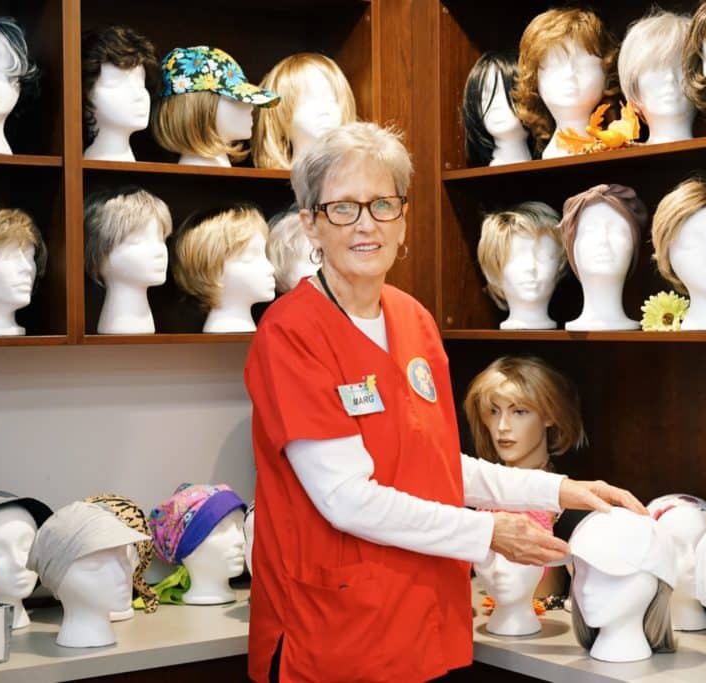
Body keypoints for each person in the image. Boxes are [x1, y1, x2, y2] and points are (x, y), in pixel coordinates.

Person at [243, 121, 646, 682]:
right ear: (310, 222)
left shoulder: (414, 320)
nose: (366, 224)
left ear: (404, 217)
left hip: (422, 619)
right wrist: (490, 533)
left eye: (383, 204)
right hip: (333, 632)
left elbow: (429, 468)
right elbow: (345, 499)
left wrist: (558, 489)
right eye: (343, 208)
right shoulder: (291, 334)